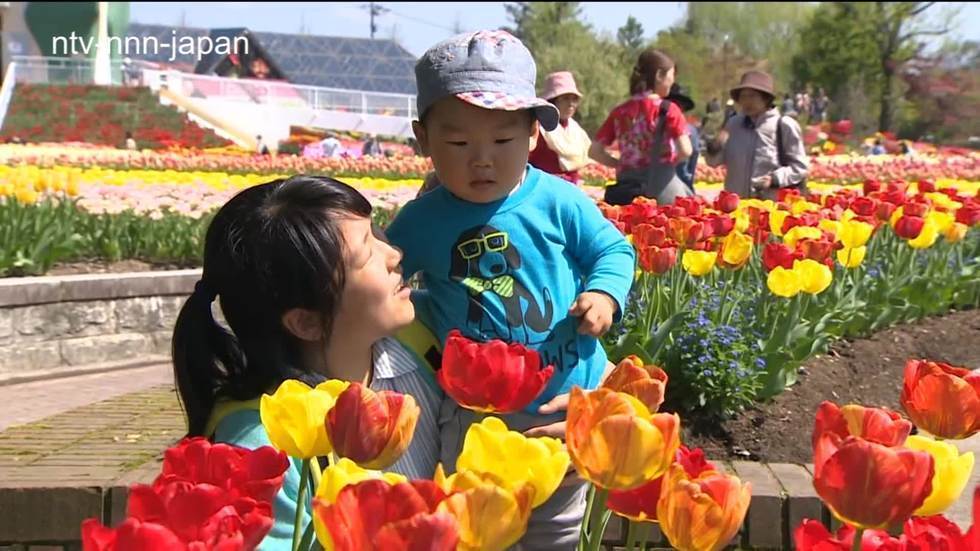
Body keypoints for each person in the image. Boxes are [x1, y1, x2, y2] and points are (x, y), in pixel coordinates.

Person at [385, 30, 636, 550]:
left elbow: (614, 251)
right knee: (477, 529)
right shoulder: (420, 223)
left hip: (564, 403)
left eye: (502, 141)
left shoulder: (559, 200)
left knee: (557, 530)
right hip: (475, 414)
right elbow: (383, 279)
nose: (482, 159)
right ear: (423, 139)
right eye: (458, 143)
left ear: (532, 137)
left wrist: (606, 295)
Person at [171, 176, 445, 549]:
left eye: (376, 232)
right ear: (307, 321)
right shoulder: (260, 450)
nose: (394, 255)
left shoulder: (422, 344)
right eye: (367, 253)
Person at [589, 48, 694, 205]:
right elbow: (686, 150)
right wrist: (668, 163)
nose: (672, 83)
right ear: (659, 75)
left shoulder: (620, 112)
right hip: (663, 188)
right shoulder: (668, 109)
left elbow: (594, 151)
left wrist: (621, 163)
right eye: (671, 76)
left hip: (627, 189)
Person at [705, 70, 809, 200]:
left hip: (771, 207)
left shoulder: (783, 126)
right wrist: (714, 148)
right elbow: (714, 163)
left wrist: (774, 179)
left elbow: (800, 167)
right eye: (743, 96)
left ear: (766, 98)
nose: (747, 101)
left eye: (752, 96)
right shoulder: (733, 124)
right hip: (737, 206)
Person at [528, 71, 592, 185]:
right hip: (543, 186)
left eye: (574, 99)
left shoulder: (575, 130)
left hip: (572, 187)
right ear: (553, 101)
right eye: (566, 98)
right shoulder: (538, 127)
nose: (571, 104)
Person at [667, 83, 699, 191]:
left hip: (680, 187)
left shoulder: (690, 131)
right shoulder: (655, 128)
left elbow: (691, 164)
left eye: (678, 105)